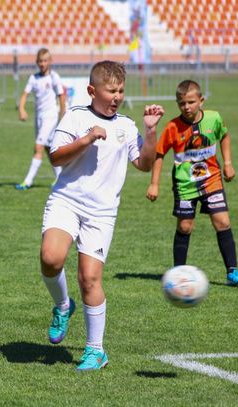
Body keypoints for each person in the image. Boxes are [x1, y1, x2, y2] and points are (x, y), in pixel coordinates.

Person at [39, 61, 164, 371]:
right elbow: (55, 156)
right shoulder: (76, 116)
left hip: (102, 213)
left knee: (89, 278)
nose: (117, 96)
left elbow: (145, 164)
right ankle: (63, 306)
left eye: (121, 91)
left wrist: (150, 132)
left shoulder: (127, 126)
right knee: (51, 259)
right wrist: (86, 139)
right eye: (111, 91)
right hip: (67, 201)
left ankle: (95, 351)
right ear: (92, 91)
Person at [146, 80, 238, 286]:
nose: (187, 107)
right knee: (185, 227)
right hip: (185, 184)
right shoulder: (173, 127)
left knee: (222, 222)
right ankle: (178, 274)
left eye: (191, 102)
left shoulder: (214, 118)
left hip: (211, 179)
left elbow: (224, 136)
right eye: (182, 103)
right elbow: (159, 153)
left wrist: (228, 163)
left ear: (201, 100)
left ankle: (232, 271)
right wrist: (154, 183)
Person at [15, 48, 66, 190]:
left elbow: (61, 96)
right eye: (40, 61)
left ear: (50, 61)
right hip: (39, 117)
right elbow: (25, 94)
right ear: (37, 62)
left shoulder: (54, 77)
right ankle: (60, 178)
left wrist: (62, 115)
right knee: (49, 148)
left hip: (50, 116)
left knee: (38, 146)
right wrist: (21, 109)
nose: (42, 64)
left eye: (45, 61)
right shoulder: (34, 78)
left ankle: (27, 182)